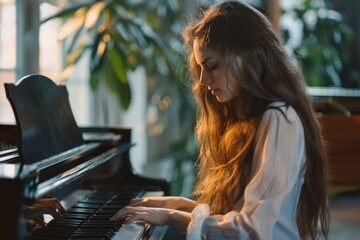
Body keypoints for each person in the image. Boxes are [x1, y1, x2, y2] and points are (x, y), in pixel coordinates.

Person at [110, 1, 329, 239]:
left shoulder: (278, 119)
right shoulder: (250, 118)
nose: (203, 79)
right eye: (201, 68)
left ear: (245, 57)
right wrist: (176, 204)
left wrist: (171, 217)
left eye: (211, 66)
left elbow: (253, 228)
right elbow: (235, 213)